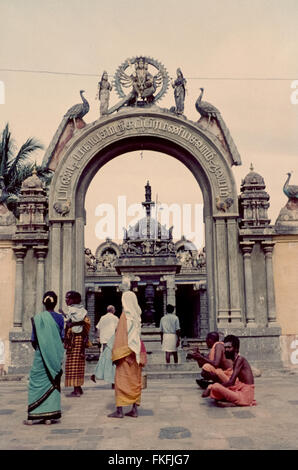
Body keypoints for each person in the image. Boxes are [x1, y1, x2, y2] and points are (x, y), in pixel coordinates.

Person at [23, 291, 64, 425]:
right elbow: (62, 337)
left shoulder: (38, 318)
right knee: (53, 382)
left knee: (36, 381)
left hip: (41, 356)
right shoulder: (60, 318)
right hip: (56, 355)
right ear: (56, 302)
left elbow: (34, 340)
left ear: (43, 303)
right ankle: (49, 416)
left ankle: (35, 414)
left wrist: (43, 350)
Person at [108, 291, 147, 418]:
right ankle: (134, 409)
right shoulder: (137, 317)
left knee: (121, 381)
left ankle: (119, 411)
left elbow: (120, 336)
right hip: (136, 354)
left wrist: (116, 354)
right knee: (135, 381)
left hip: (125, 355)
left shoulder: (125, 316)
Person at [203, 335, 257, 407]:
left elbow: (231, 382)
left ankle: (237, 402)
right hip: (240, 389)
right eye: (225, 348)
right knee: (217, 391)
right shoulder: (235, 360)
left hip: (246, 395)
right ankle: (233, 400)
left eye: (229, 347)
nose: (226, 350)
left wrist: (211, 386)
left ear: (236, 349)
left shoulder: (240, 360)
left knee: (216, 386)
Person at [63, 291, 91, 397]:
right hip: (81, 339)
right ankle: (78, 387)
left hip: (74, 339)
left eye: (68, 298)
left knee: (73, 363)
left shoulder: (71, 310)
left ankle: (76, 389)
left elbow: (68, 322)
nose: (66, 300)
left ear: (73, 300)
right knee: (79, 363)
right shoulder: (83, 310)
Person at [91, 305, 119, 386]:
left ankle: (95, 374)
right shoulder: (115, 318)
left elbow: (98, 328)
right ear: (113, 310)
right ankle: (113, 381)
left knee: (103, 359)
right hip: (111, 341)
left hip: (104, 341)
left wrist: (98, 337)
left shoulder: (102, 318)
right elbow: (118, 329)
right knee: (112, 360)